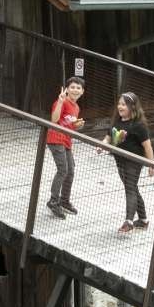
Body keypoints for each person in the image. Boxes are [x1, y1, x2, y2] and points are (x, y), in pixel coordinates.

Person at [99, 92, 154, 233]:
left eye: (124, 104)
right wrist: (102, 145)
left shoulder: (138, 125)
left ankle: (128, 221)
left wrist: (151, 165)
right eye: (119, 104)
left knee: (130, 188)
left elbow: (148, 146)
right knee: (132, 188)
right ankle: (143, 220)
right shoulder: (116, 122)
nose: (120, 106)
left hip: (133, 162)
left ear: (132, 107)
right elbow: (108, 137)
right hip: (120, 161)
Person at [45, 76, 85, 219]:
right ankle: (53, 201)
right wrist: (61, 102)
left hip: (66, 140)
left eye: (78, 88)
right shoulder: (61, 102)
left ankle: (64, 200)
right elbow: (54, 120)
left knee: (71, 171)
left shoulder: (76, 107)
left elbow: (69, 125)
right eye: (72, 87)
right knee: (63, 170)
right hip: (56, 138)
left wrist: (77, 125)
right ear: (67, 89)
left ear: (82, 91)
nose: (75, 90)